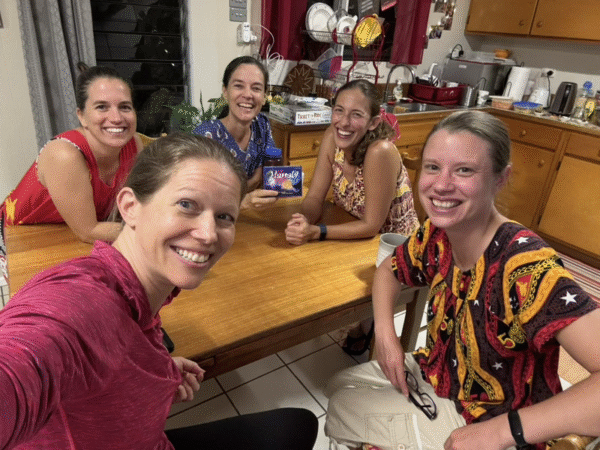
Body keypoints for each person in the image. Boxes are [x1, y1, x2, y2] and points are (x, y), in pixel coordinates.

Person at [0, 133, 318, 450]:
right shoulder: (79, 303)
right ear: (130, 207)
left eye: (224, 217)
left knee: (297, 425)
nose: (208, 234)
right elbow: (23, 365)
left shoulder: (142, 292)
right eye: (186, 205)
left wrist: (151, 370)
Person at [324, 110, 600, 450]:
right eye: (433, 167)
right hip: (441, 378)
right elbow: (388, 271)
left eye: (464, 170)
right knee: (338, 386)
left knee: (342, 408)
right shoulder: (436, 233)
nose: (441, 185)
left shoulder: (525, 266)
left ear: (500, 178)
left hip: (494, 422)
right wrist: (385, 333)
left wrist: (500, 432)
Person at [285, 79, 420, 355]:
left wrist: (317, 232)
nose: (343, 122)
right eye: (339, 111)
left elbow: (372, 226)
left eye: (356, 114)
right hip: (356, 231)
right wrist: (303, 220)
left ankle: (369, 321)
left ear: (373, 122)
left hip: (391, 245)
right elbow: (315, 197)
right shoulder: (331, 137)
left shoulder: (379, 152)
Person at [0, 64, 144, 244]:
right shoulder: (64, 155)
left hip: (67, 234)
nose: (116, 118)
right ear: (81, 116)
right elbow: (89, 232)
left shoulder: (134, 144)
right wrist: (153, 228)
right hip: (15, 240)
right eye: (102, 107)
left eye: (125, 107)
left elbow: (134, 204)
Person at [193, 55, 280, 210]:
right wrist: (243, 201)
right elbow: (196, 198)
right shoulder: (205, 136)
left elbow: (270, 165)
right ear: (225, 91)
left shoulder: (262, 125)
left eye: (256, 88)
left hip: (251, 215)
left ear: (264, 96)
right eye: (239, 86)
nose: (247, 94)